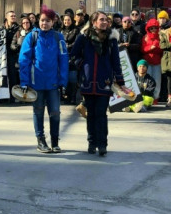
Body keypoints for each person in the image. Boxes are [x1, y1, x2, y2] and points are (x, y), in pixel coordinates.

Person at [70, 11, 129, 156]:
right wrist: (82, 65)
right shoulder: (84, 38)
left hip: (105, 82)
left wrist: (121, 82)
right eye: (101, 20)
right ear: (94, 21)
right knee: (90, 115)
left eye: (106, 20)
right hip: (88, 82)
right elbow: (73, 55)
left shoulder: (112, 39)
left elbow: (116, 61)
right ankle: (91, 143)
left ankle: (102, 144)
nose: (105, 22)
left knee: (101, 114)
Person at [18, 8, 69, 153]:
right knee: (38, 111)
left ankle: (55, 141)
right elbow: (24, 60)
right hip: (36, 83)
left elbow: (63, 60)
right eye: (42, 20)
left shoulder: (58, 38)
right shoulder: (31, 37)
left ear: (53, 22)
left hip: (53, 83)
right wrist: (24, 81)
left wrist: (63, 81)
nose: (44, 23)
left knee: (55, 112)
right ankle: (41, 141)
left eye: (47, 21)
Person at [141, 19, 163, 102]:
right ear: (148, 29)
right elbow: (142, 49)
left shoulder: (160, 37)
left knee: (157, 80)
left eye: (155, 28)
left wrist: (156, 48)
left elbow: (162, 50)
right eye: (151, 28)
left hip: (157, 62)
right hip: (147, 62)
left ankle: (155, 97)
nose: (153, 30)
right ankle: (147, 96)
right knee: (147, 80)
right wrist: (150, 48)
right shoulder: (145, 37)